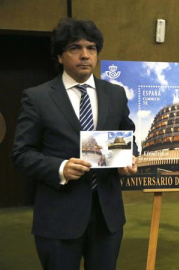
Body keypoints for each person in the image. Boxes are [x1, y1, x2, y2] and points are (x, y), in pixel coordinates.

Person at [11, 18, 138, 270]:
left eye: (91, 48)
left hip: (107, 217)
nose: (84, 55)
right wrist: (60, 168)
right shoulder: (37, 98)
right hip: (58, 218)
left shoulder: (115, 94)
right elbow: (21, 153)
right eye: (75, 48)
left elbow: (128, 137)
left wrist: (130, 158)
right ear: (60, 56)